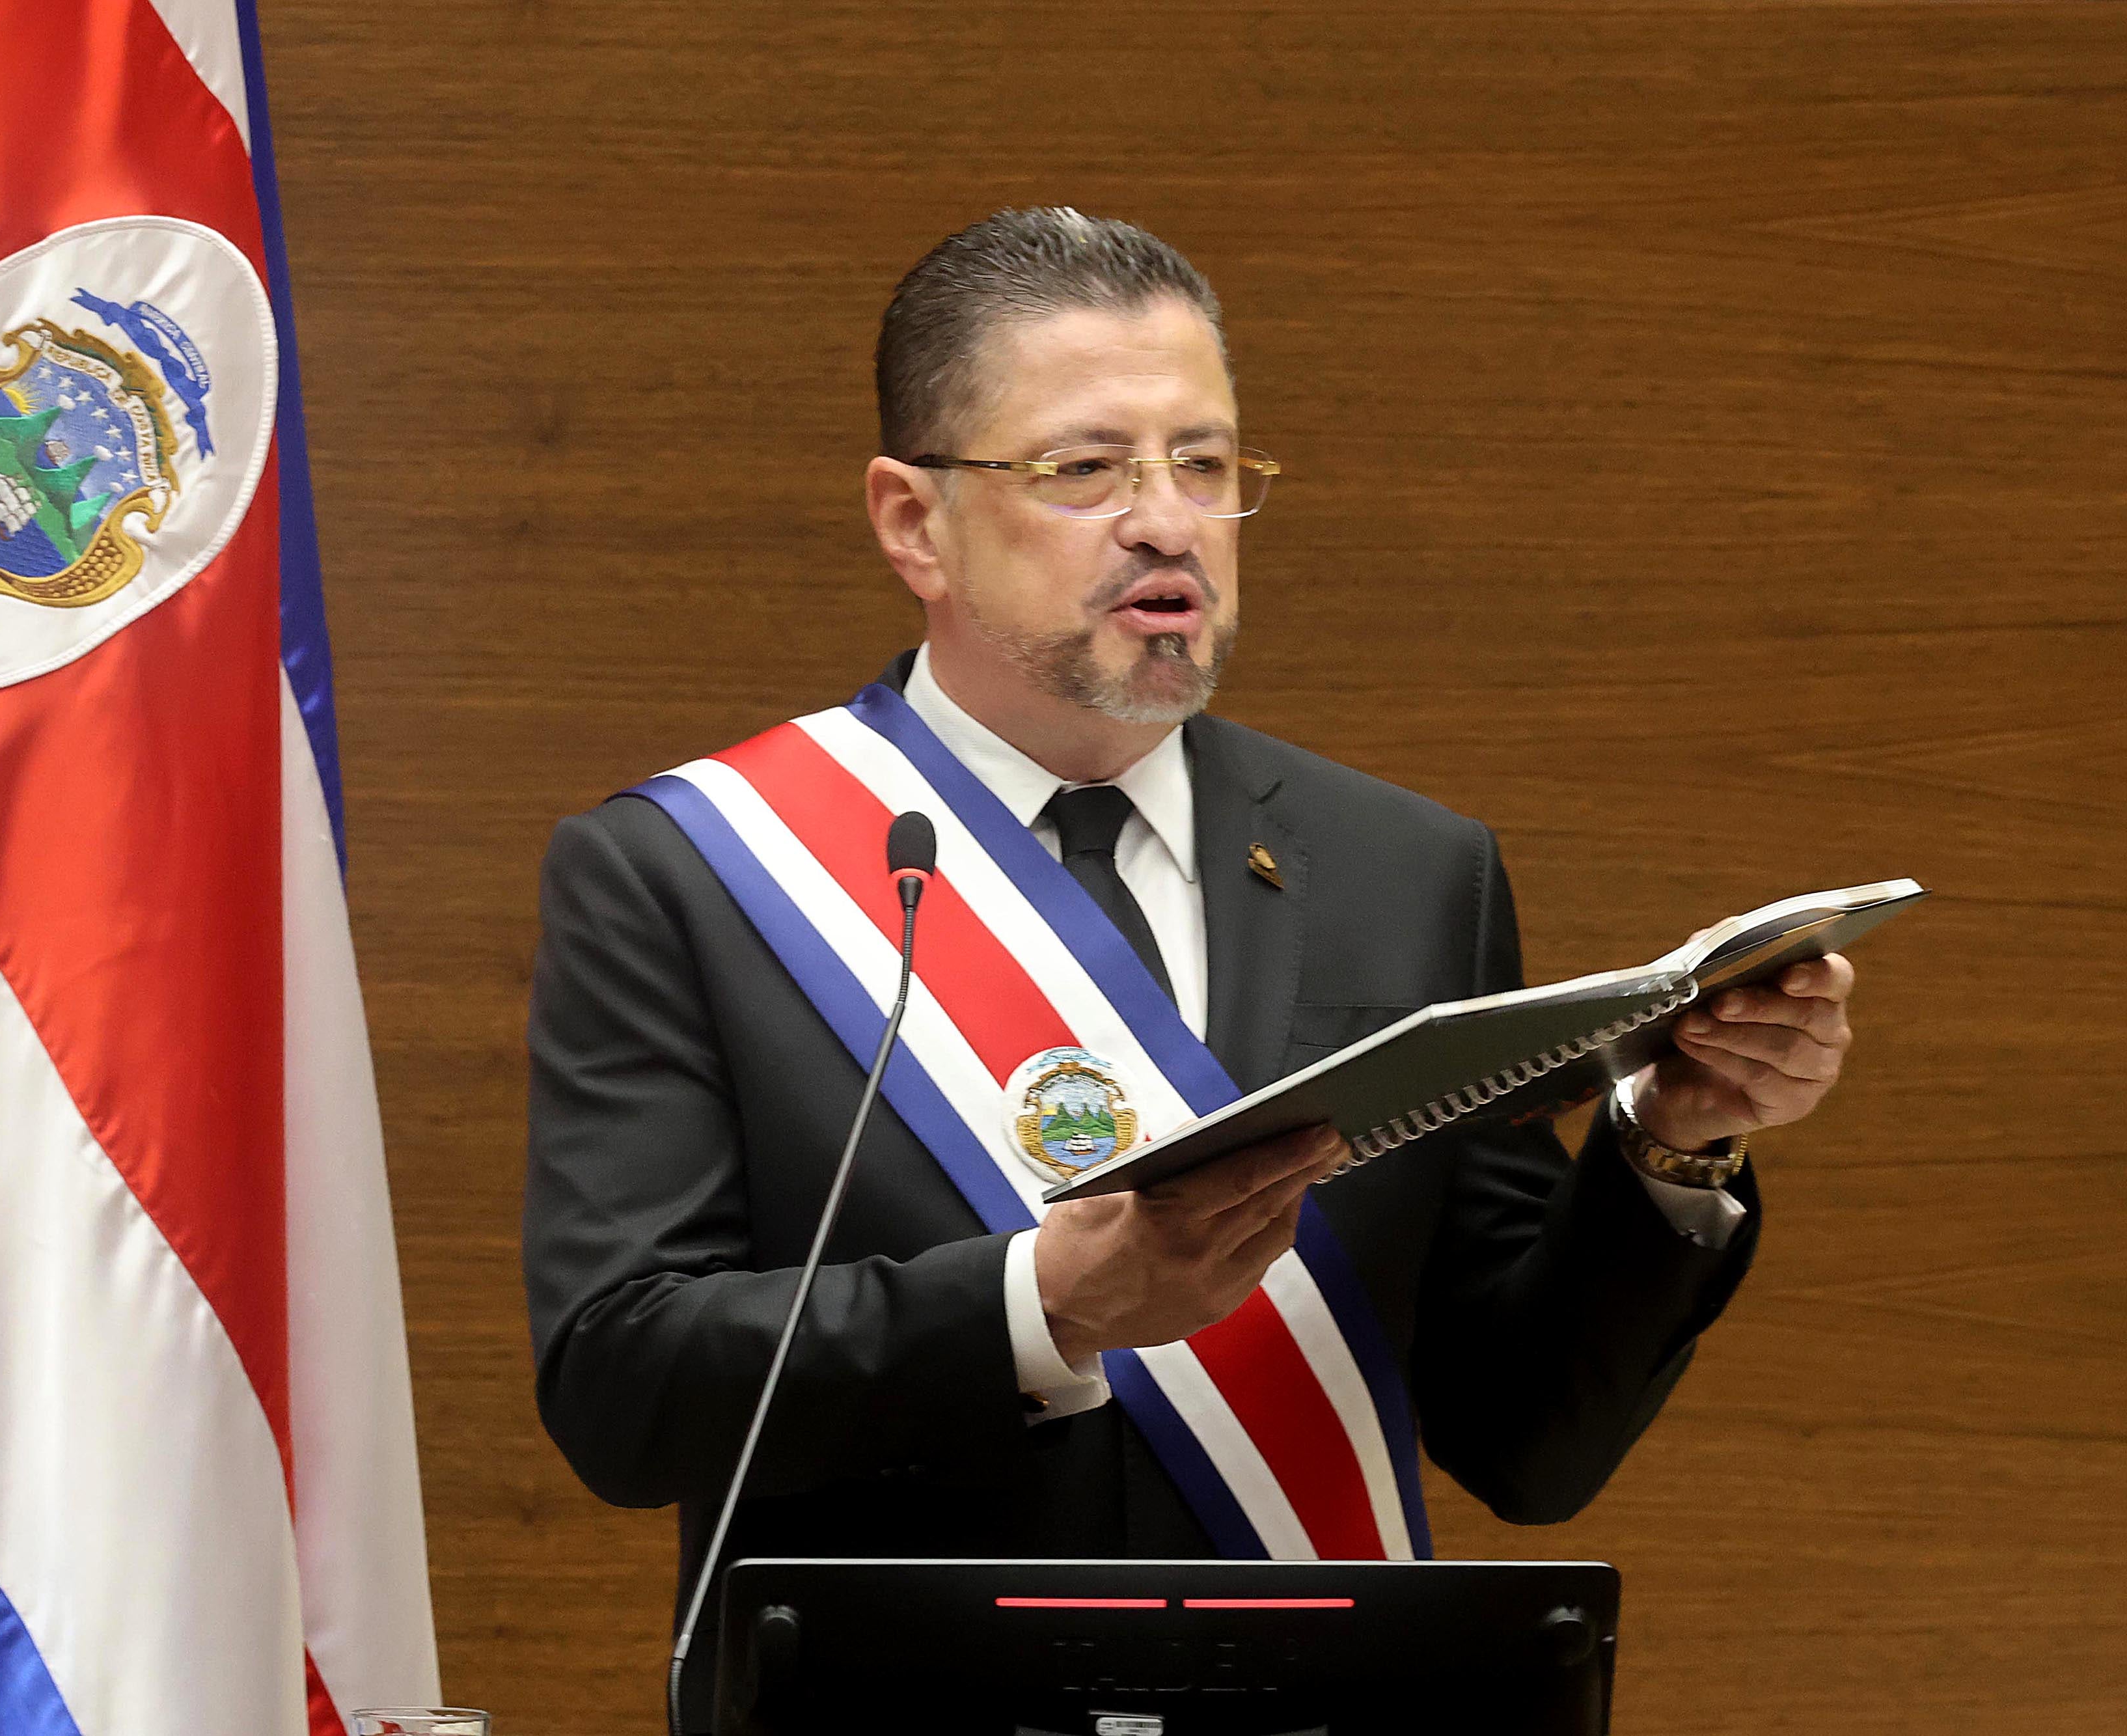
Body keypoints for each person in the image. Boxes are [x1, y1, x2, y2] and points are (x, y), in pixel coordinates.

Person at [521, 208, 1857, 1729]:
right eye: (1084, 469)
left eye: (1204, 465)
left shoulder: (1405, 869)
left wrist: (1669, 1146)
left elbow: (1526, 1441)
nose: (1165, 522)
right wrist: (1046, 1306)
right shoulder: (693, 870)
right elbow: (625, 1389)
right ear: (913, 522)